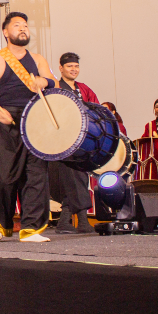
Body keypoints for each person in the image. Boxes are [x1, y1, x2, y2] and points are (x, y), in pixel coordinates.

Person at [0, 11, 57, 243]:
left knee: (35, 176)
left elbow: (55, 84)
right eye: (17, 25)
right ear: (5, 32)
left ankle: (31, 229)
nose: (23, 29)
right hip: (7, 121)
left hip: (35, 121)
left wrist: (45, 81)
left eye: (26, 26)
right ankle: (0, 225)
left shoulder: (38, 60)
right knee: (2, 176)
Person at [55, 52, 97, 234]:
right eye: (70, 66)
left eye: (76, 66)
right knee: (75, 178)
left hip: (82, 139)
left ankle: (66, 222)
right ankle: (82, 221)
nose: (74, 69)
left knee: (78, 178)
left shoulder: (84, 89)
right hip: (63, 139)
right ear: (61, 68)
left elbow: (96, 108)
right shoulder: (55, 86)